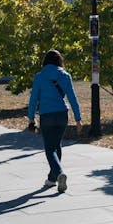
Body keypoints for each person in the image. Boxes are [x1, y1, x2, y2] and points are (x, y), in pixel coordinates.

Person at [27, 50, 82, 193]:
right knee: (57, 145)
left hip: (47, 116)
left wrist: (31, 117)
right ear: (59, 61)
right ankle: (52, 178)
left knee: (50, 149)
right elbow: (72, 97)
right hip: (62, 114)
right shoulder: (65, 75)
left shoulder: (39, 76)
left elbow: (34, 98)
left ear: (45, 61)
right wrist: (78, 118)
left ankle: (59, 173)